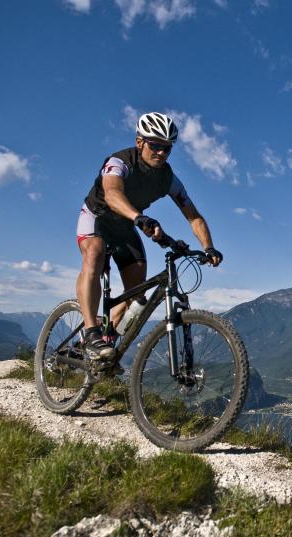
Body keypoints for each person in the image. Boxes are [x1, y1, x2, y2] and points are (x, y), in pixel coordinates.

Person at [75, 112, 223, 362]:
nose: (162, 153)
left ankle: (107, 342)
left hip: (126, 227)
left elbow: (194, 216)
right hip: (97, 218)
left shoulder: (168, 178)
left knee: (137, 297)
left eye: (167, 148)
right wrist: (139, 217)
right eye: (155, 145)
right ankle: (90, 332)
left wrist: (208, 247)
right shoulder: (119, 163)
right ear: (140, 141)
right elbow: (111, 194)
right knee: (95, 253)